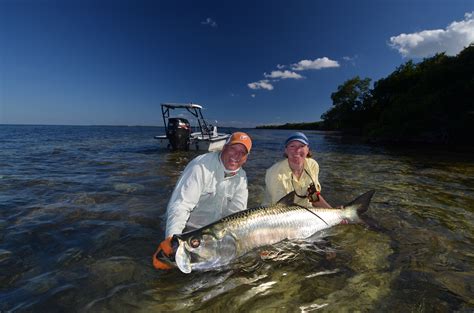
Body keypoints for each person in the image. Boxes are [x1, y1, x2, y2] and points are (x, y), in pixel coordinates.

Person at [153, 131, 252, 269]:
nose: (236, 155)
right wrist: (172, 239)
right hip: (188, 233)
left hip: (213, 237)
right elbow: (181, 205)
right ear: (224, 148)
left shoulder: (242, 178)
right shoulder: (200, 166)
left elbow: (237, 216)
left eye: (242, 152)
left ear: (246, 158)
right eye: (233, 149)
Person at [263, 132, 332, 208]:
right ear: (286, 150)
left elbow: (313, 196)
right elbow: (281, 208)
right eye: (292, 146)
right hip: (276, 215)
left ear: (307, 150)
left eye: (302, 146)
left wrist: (333, 211)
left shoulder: (313, 165)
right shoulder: (275, 173)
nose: (297, 150)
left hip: (307, 211)